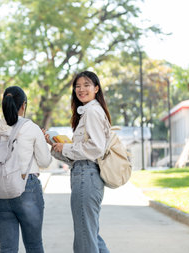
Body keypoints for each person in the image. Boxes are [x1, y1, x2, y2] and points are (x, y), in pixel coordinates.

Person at [45, 71, 111, 253]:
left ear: (96, 88)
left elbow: (95, 148)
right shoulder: (88, 111)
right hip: (85, 174)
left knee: (85, 238)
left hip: (86, 175)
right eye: (77, 86)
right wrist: (57, 146)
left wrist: (65, 148)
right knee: (90, 234)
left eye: (86, 85)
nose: (81, 89)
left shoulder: (92, 111)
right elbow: (82, 152)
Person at [0, 86, 52, 253]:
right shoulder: (31, 127)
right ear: (23, 105)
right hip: (26, 188)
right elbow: (45, 161)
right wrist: (44, 143)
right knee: (34, 246)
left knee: (7, 248)